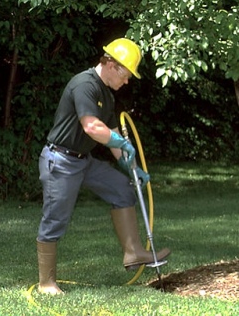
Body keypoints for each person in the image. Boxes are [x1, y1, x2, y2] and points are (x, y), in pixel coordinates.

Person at [36, 38, 170, 295]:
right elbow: (92, 127)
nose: (128, 81)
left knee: (122, 188)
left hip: (83, 160)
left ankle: (133, 252)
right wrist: (119, 140)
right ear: (111, 64)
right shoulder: (85, 85)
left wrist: (129, 166)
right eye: (126, 74)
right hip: (61, 161)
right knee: (55, 219)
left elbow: (112, 135)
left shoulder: (106, 95)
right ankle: (46, 282)